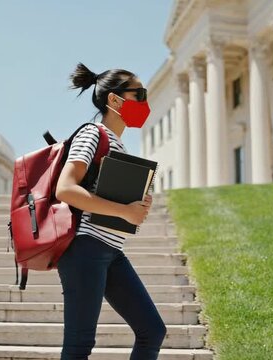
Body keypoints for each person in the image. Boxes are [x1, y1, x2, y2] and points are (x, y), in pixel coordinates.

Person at [54, 62, 167, 360]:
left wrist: (137, 205)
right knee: (79, 346)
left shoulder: (119, 147)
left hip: (111, 251)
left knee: (152, 331)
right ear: (115, 100)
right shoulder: (93, 134)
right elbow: (65, 189)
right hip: (85, 248)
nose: (145, 103)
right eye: (139, 94)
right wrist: (123, 210)